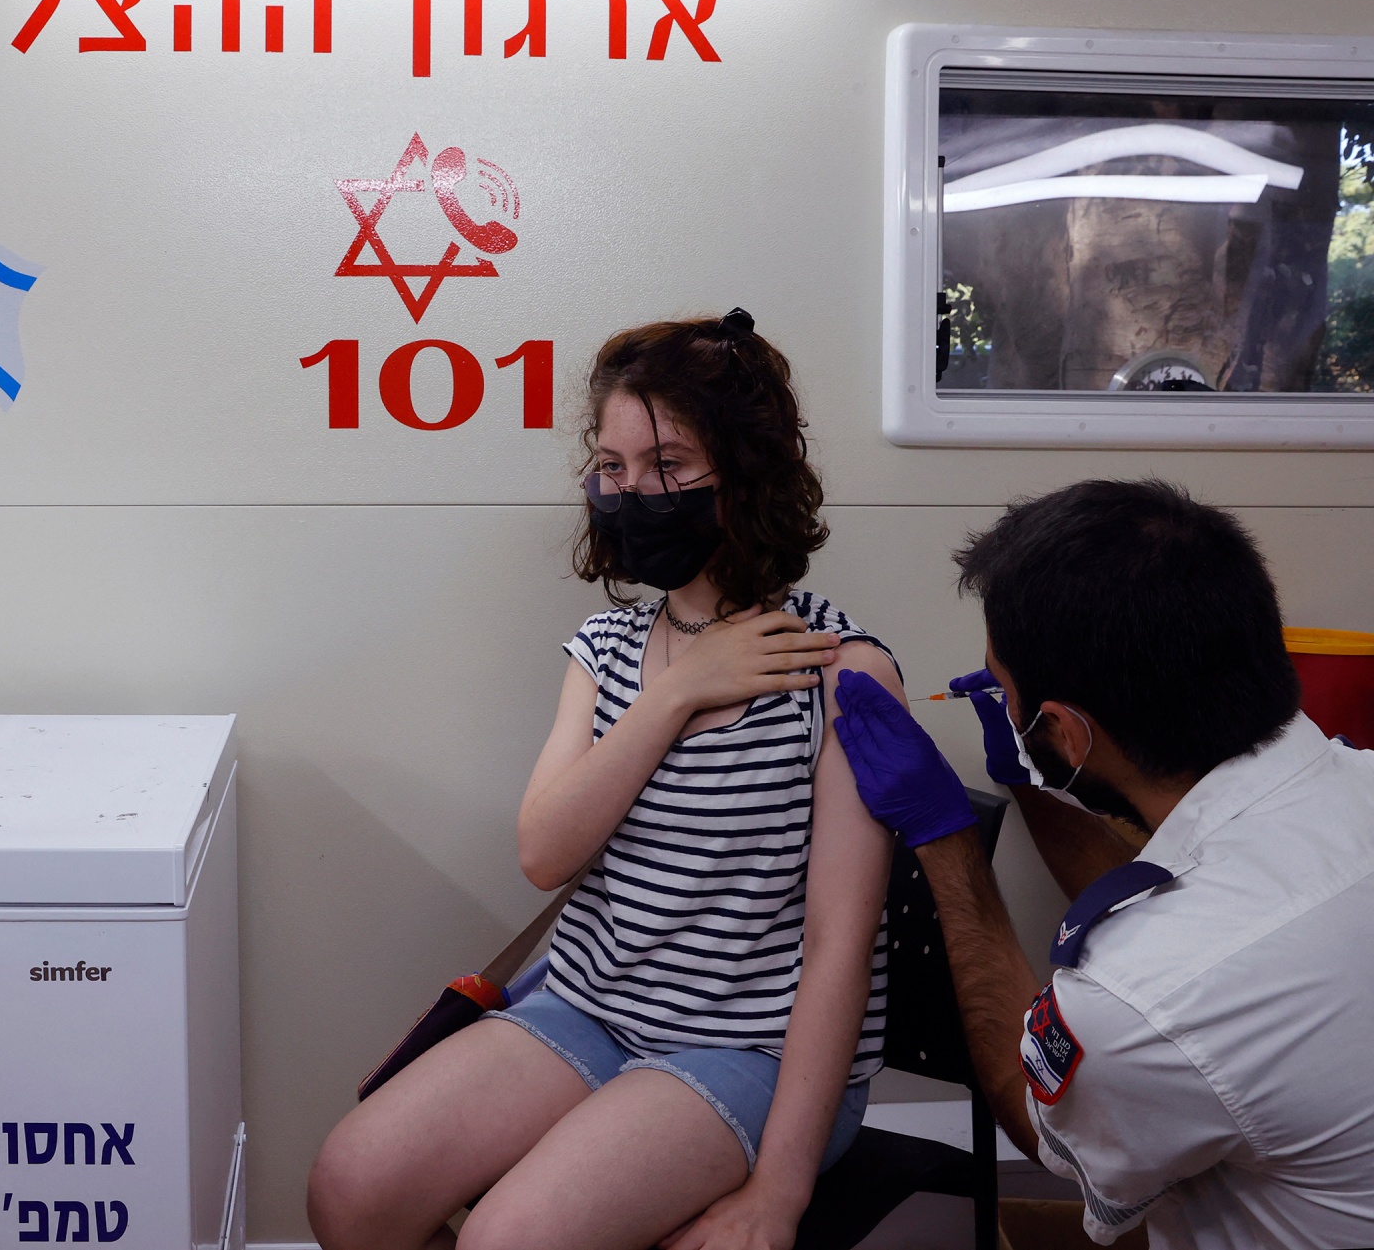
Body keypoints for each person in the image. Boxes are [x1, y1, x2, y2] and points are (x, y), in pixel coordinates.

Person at [307, 310, 908, 1250]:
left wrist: (779, 1191)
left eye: (668, 464)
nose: (634, 492)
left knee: (506, 1240)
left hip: (749, 1050)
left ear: (746, 470)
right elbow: (544, 852)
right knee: (349, 1185)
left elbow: (842, 944)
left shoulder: (843, 669)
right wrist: (678, 693)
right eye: (613, 467)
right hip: (589, 1009)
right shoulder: (605, 651)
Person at [833, 479, 1374, 1250]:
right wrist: (1034, 781)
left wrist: (946, 840)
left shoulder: (1141, 1000)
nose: (1006, 705)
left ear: (1063, 729)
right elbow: (1189, 906)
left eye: (1009, 691)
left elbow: (1041, 1119)